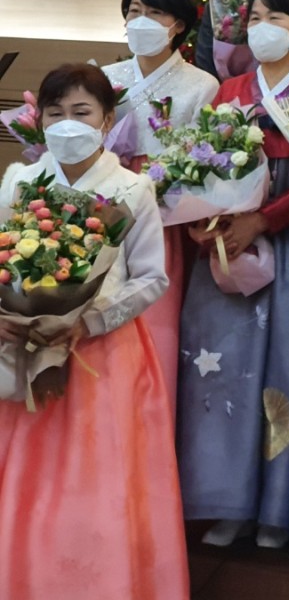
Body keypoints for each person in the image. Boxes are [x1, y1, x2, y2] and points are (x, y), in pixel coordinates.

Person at [0, 63, 188, 599]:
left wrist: (87, 320)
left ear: (107, 120)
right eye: (55, 113)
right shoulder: (19, 181)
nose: (67, 123)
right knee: (30, 474)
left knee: (102, 475)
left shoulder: (132, 187)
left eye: (81, 112)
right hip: (26, 348)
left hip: (103, 353)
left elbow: (152, 277)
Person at [178, 0, 289, 550]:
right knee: (221, 371)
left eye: (277, 19)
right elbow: (195, 164)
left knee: (284, 370)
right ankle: (227, 500)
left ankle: (275, 508)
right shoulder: (229, 90)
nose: (263, 29)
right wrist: (207, 220)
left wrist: (263, 221)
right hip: (224, 249)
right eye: (256, 18)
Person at [102, 0, 219, 408]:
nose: (142, 21)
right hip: (105, 214)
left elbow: (201, 160)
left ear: (178, 26)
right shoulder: (106, 79)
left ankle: (149, 417)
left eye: (154, 13)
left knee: (155, 325)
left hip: (163, 216)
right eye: (134, 12)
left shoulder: (201, 84)